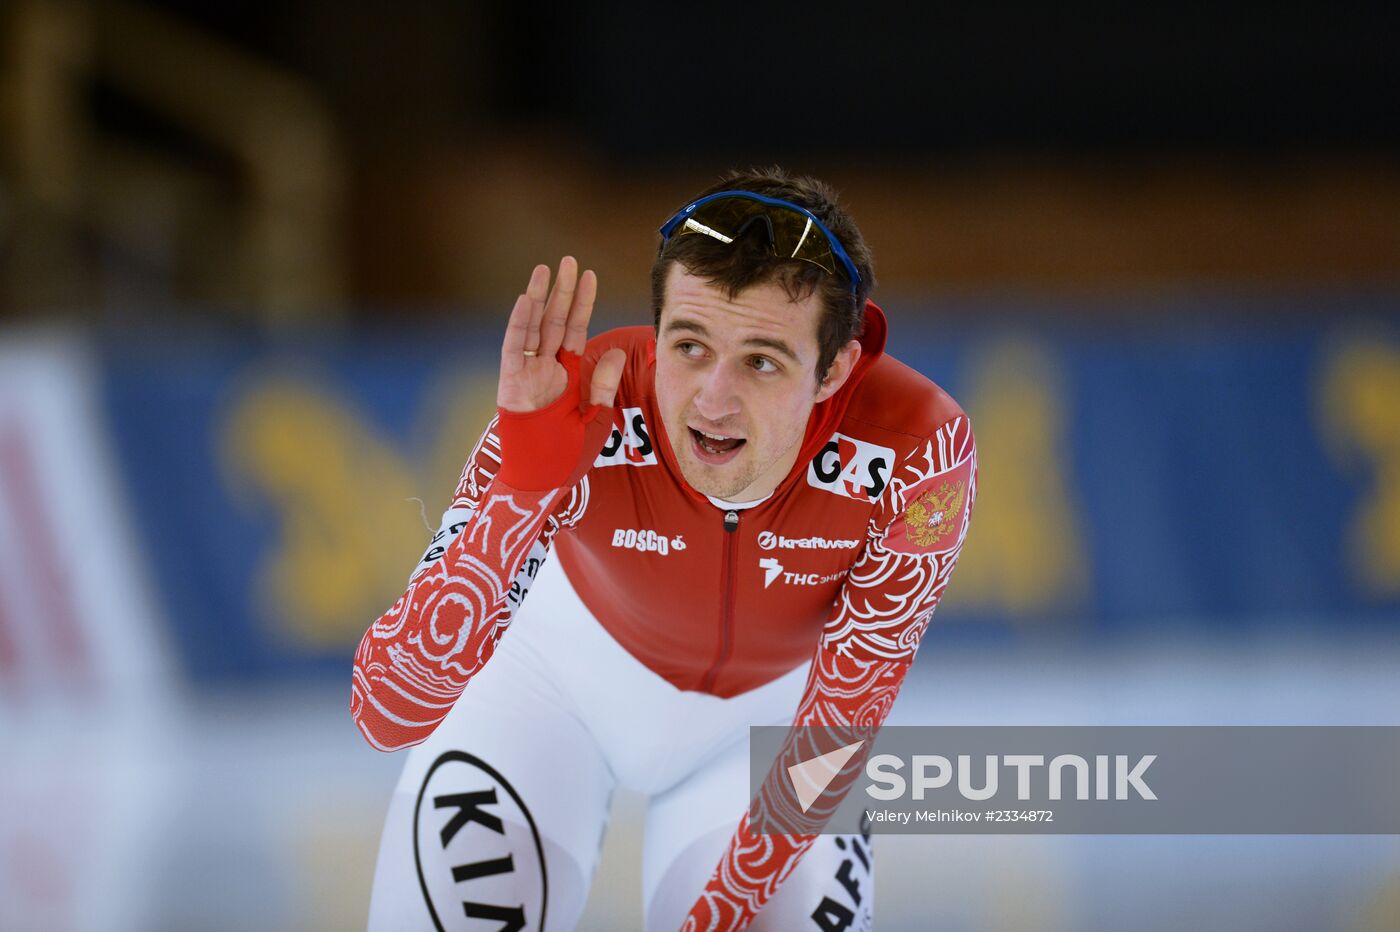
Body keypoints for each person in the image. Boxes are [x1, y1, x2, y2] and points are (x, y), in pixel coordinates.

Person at [350, 167, 977, 931]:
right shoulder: (581, 401)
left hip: (765, 733)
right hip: (548, 694)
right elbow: (385, 713)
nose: (713, 400)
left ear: (835, 368)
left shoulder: (916, 448)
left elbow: (836, 727)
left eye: (762, 360)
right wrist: (521, 493)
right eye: (688, 346)